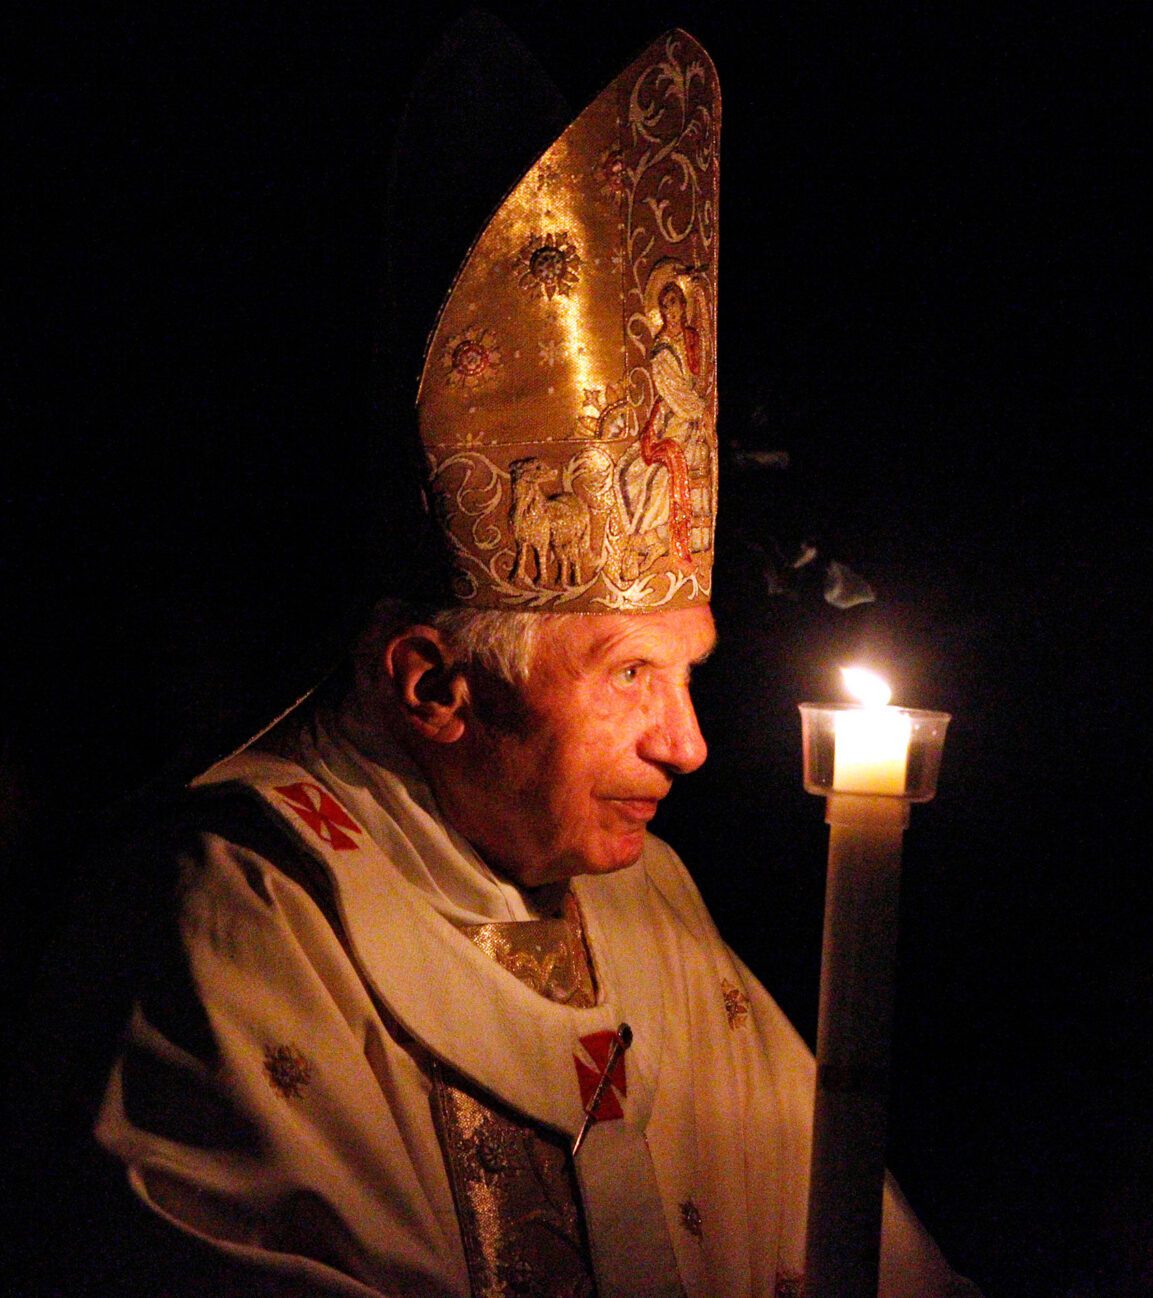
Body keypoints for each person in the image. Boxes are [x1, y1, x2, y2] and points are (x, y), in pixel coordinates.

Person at [81, 24, 973, 1298]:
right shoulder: (233, 918)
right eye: (626, 676)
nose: (689, 742)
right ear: (431, 683)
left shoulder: (643, 896)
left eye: (689, 671)